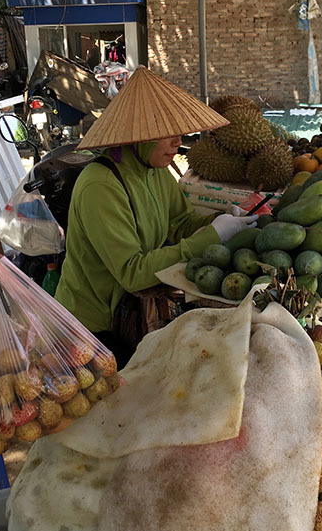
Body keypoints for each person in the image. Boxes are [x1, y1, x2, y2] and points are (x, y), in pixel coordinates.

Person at [54, 66, 256, 366]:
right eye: (166, 133)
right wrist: (213, 236)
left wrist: (223, 220)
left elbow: (180, 224)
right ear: (139, 136)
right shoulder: (100, 186)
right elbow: (133, 273)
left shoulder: (154, 171)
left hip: (132, 311)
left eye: (179, 131)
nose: (178, 141)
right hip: (92, 329)